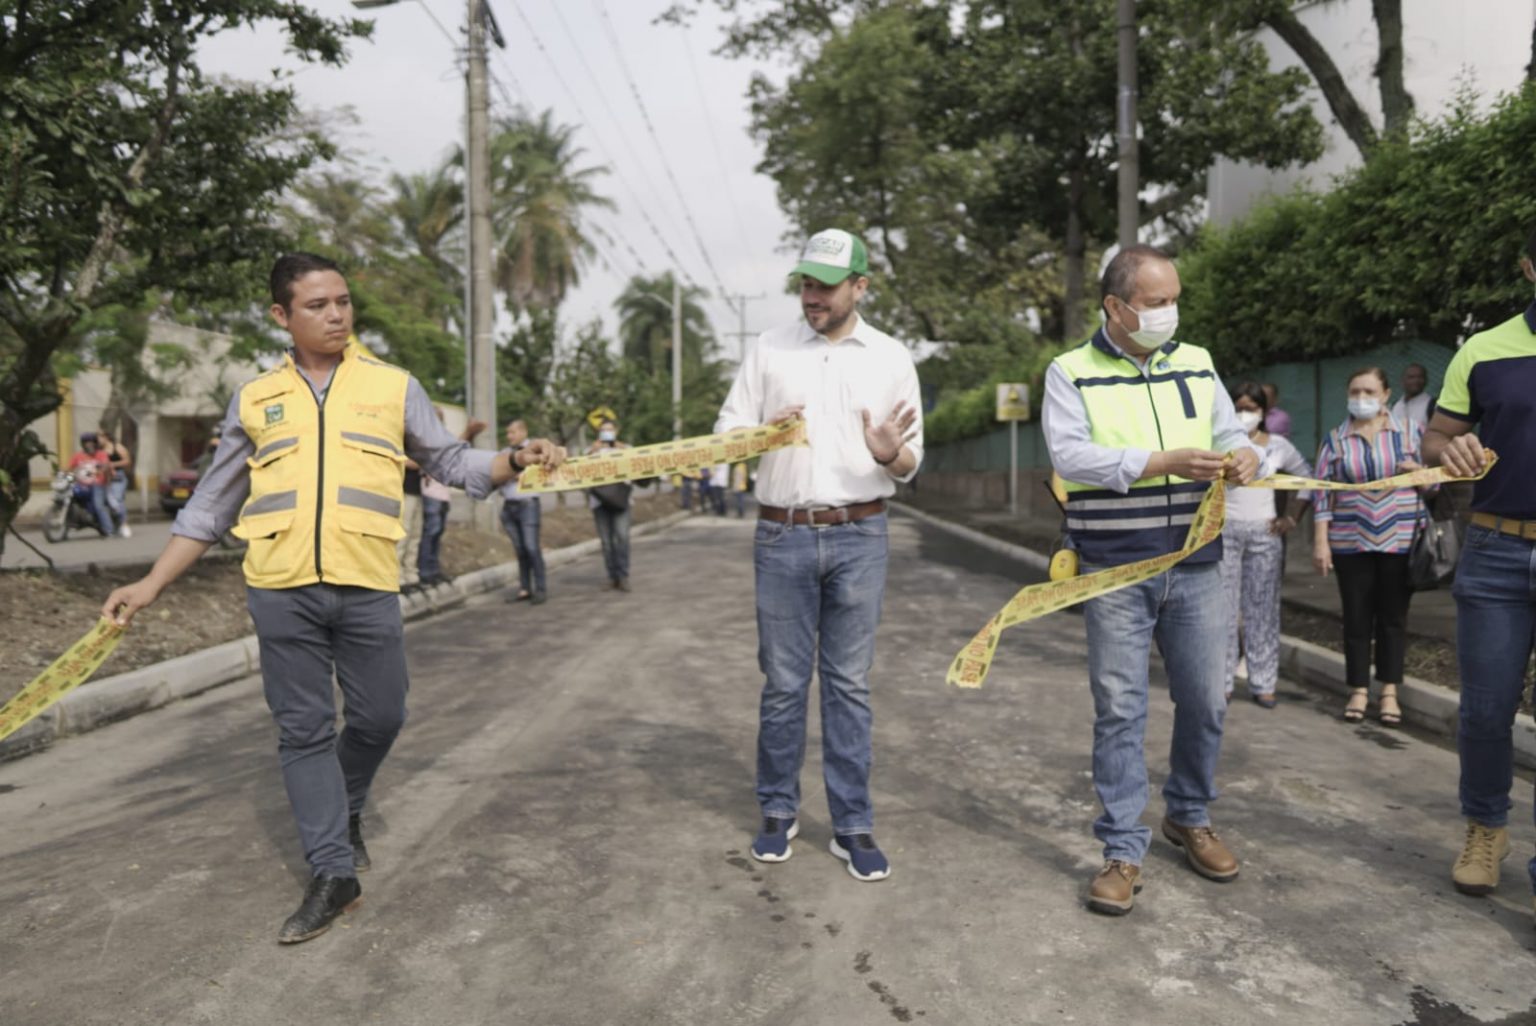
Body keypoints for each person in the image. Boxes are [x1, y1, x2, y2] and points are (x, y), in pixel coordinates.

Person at [100, 253, 565, 945]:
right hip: (280, 589)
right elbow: (211, 506)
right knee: (304, 732)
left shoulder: (392, 386)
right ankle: (332, 870)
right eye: (317, 305)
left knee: (382, 716)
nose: (337, 315)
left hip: (366, 583)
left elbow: (449, 462)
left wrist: (514, 460)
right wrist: (150, 584)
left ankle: (342, 805)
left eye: (343, 301)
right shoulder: (255, 398)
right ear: (281, 316)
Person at [1042, 244, 1263, 916]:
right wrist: (1161, 461)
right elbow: (1070, 456)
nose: (1170, 313)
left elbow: (1230, 432)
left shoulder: (1195, 362)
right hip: (1115, 569)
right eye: (1156, 303)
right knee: (1120, 709)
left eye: (1174, 300)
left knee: (1207, 699)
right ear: (1116, 306)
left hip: (1196, 564)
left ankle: (1189, 815)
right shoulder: (1070, 372)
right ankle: (1121, 849)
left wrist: (1245, 457)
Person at [716, 227, 922, 883]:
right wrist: (760, 434)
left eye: (826, 287)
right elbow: (727, 435)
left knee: (848, 684)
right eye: (806, 284)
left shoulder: (891, 357)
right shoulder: (770, 348)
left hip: (861, 535)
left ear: (860, 287)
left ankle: (852, 823)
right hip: (782, 536)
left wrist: (891, 453)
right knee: (782, 684)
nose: (813, 297)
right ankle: (778, 811)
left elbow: (911, 462)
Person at [1423, 226, 1536, 908]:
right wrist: (1449, 450)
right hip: (1496, 553)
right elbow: (1437, 435)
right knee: (1488, 712)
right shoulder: (1485, 349)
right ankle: (1486, 828)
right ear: (1529, 268)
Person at [1311, 367, 1425, 727]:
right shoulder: (1335, 440)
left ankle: (1389, 691)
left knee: (1393, 618)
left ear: (1386, 394)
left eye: (1369, 391)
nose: (1362, 398)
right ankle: (1358, 689)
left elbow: (1435, 484)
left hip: (1401, 538)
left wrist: (1418, 472)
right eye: (1355, 391)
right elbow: (1321, 492)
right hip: (1350, 540)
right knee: (1356, 617)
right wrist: (1321, 542)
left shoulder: (1410, 432)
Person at [1220, 382, 1312, 707]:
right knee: (1223, 610)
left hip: (1265, 534)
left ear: (1263, 412)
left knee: (1262, 609)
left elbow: (1306, 478)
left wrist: (1291, 518)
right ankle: (1222, 681)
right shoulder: (1219, 443)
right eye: (1238, 408)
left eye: (1251, 409)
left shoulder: (1278, 446)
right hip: (1225, 533)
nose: (1244, 414)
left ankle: (1263, 682)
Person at [499, 419, 547, 605]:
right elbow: (497, 474)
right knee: (520, 550)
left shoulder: (535, 450)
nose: (509, 436)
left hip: (528, 505)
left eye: (512, 432)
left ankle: (541, 589)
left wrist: (514, 473)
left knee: (531, 547)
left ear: (523, 432)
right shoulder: (504, 453)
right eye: (508, 433)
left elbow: (538, 473)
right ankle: (525, 588)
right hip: (509, 506)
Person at [587, 418, 633, 592]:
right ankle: (611, 576)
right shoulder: (592, 451)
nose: (607, 433)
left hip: (621, 501)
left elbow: (637, 465)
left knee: (622, 538)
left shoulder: (626, 449)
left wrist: (622, 449)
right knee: (606, 542)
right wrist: (592, 452)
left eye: (609, 430)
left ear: (616, 431)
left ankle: (623, 576)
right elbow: (581, 471)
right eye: (603, 430)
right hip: (599, 502)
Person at [66, 433, 115, 537]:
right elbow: (69, 468)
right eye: (86, 442)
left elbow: (105, 465)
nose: (89, 445)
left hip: (98, 484)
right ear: (82, 444)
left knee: (99, 505)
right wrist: (65, 476)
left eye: (91, 442)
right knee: (69, 496)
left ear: (95, 443)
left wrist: (100, 471)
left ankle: (109, 530)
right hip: (82, 484)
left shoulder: (101, 454)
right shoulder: (78, 456)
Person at [97, 428, 133, 538]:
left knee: (117, 500)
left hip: (118, 477)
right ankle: (112, 525)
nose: (98, 439)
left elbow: (127, 461)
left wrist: (113, 464)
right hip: (105, 477)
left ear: (106, 437)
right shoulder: (99, 450)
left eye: (100, 436)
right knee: (106, 502)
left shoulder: (117, 447)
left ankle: (124, 524)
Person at [1390, 363, 1436, 431]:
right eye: (1411, 377)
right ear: (1402, 380)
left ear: (1426, 381)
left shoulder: (1432, 405)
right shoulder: (1395, 406)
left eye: (1420, 377)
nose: (1416, 381)